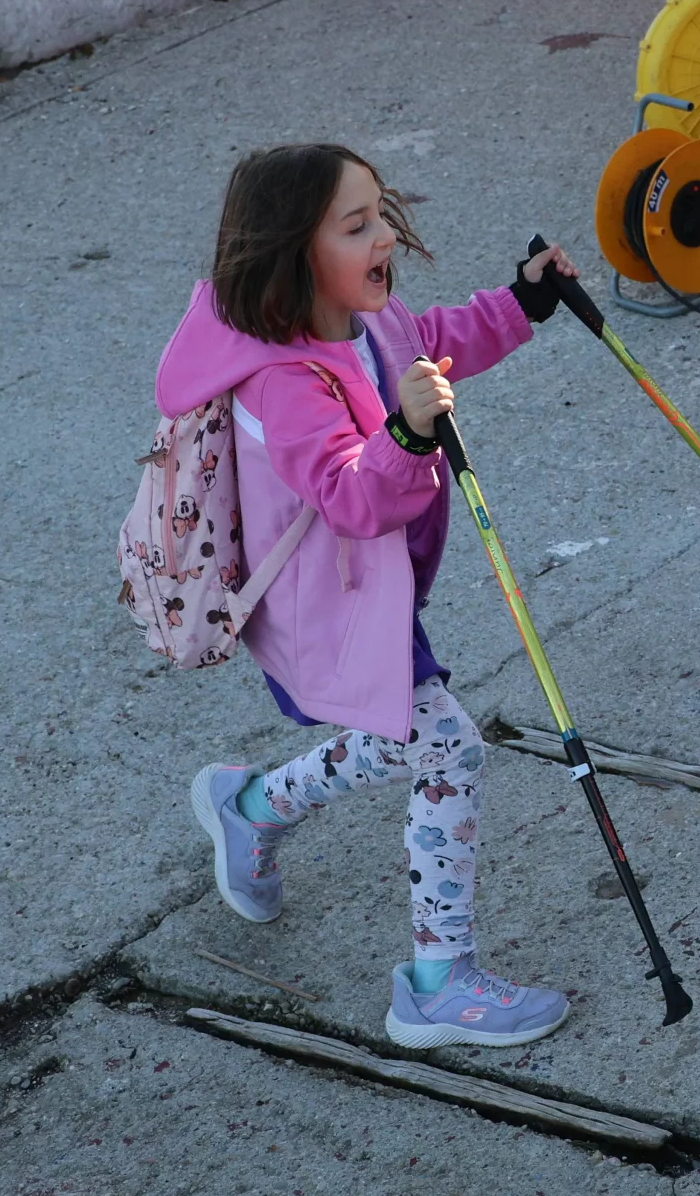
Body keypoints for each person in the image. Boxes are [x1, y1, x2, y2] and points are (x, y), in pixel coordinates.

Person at [154, 143, 578, 1049]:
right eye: (357, 225)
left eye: (380, 213)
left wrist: (524, 300)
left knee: (401, 744)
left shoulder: (364, 319)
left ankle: (253, 805)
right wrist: (409, 432)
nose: (385, 234)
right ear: (292, 253)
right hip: (328, 614)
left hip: (374, 595)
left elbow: (431, 346)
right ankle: (437, 982)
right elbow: (349, 496)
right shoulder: (281, 381)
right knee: (449, 750)